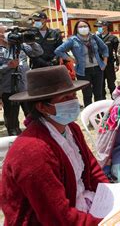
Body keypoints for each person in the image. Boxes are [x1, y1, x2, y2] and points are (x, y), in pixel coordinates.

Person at [1, 65, 109, 225]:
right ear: (42, 107)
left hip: (80, 207)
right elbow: (56, 216)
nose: (73, 101)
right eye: (65, 98)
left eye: (73, 95)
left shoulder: (71, 128)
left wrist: (110, 192)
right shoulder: (33, 150)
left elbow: (91, 168)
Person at [0, 25, 43, 135]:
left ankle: (35, 134)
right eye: (7, 31)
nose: (10, 33)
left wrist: (31, 41)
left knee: (32, 114)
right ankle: (15, 137)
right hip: (8, 88)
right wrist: (7, 66)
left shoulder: (20, 45)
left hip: (26, 87)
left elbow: (37, 53)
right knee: (12, 119)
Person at [55, 20, 109, 107]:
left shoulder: (94, 37)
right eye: (80, 27)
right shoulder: (72, 40)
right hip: (83, 71)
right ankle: (89, 116)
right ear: (76, 29)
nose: (83, 28)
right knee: (87, 94)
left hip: (98, 68)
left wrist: (105, 62)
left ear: (89, 27)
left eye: (85, 26)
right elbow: (58, 51)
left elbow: (104, 48)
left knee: (99, 94)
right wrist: (71, 59)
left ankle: (99, 115)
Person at [95, 20, 119, 97]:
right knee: (100, 86)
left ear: (106, 27)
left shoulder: (113, 38)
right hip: (98, 65)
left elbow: (117, 52)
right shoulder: (95, 38)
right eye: (98, 26)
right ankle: (102, 103)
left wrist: (117, 64)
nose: (99, 28)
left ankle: (115, 101)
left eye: (100, 26)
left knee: (111, 85)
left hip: (109, 64)